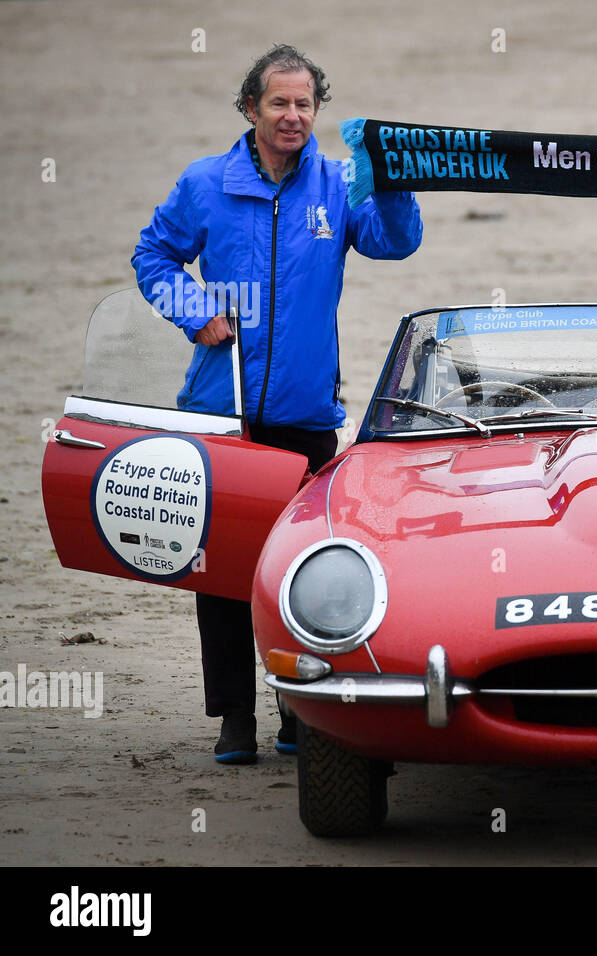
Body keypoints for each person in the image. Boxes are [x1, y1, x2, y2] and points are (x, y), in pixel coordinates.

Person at [132, 44, 423, 764]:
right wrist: (195, 310)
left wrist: (389, 180)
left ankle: (298, 713)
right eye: (278, 103)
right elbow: (152, 256)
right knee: (224, 568)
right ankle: (235, 717)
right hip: (221, 411)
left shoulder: (337, 184)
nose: (292, 116)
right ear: (251, 109)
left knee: (302, 567)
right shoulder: (206, 185)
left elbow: (395, 244)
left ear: (315, 109)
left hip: (305, 415)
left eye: (304, 104)